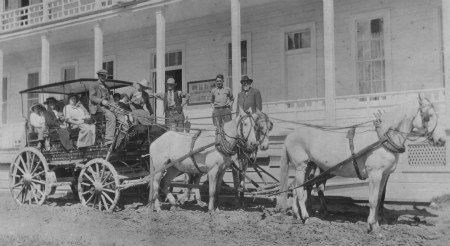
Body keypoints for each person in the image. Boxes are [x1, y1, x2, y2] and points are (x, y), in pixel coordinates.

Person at [89, 69, 116, 145]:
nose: (103, 77)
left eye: (105, 75)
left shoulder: (107, 87)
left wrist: (115, 106)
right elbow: (92, 97)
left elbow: (111, 99)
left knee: (120, 115)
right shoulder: (93, 85)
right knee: (111, 117)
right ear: (99, 76)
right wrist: (102, 101)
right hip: (97, 107)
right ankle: (109, 139)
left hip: (107, 107)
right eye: (102, 75)